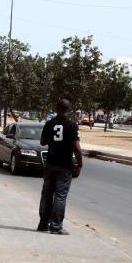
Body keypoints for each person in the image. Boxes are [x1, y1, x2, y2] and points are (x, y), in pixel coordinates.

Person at [37, 99, 82, 235]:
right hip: (65, 165)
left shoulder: (49, 124)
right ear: (68, 110)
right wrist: (80, 163)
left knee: (46, 194)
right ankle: (56, 227)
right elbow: (76, 147)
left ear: (56, 108)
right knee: (60, 196)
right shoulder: (72, 125)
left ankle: (43, 224)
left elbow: (42, 142)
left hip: (50, 163)